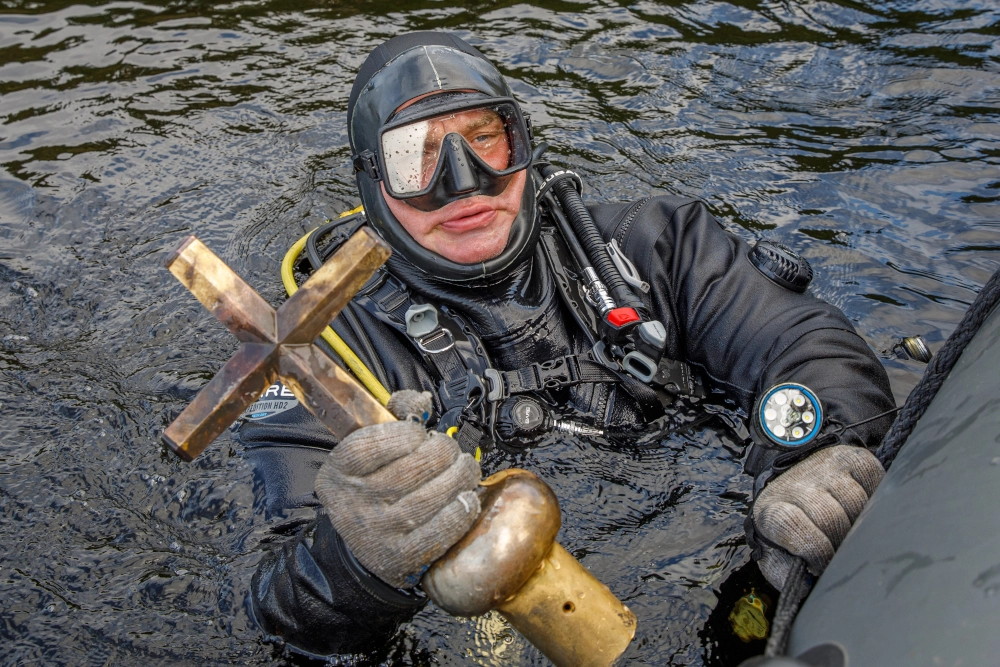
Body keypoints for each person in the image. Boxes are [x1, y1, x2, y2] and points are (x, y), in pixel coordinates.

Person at [236, 31, 895, 658]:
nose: (463, 181)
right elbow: (272, 602)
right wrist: (354, 560)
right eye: (416, 155)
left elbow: (806, 343)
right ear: (372, 181)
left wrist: (819, 449)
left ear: (519, 140)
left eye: (483, 139)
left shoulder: (656, 246)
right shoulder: (316, 356)